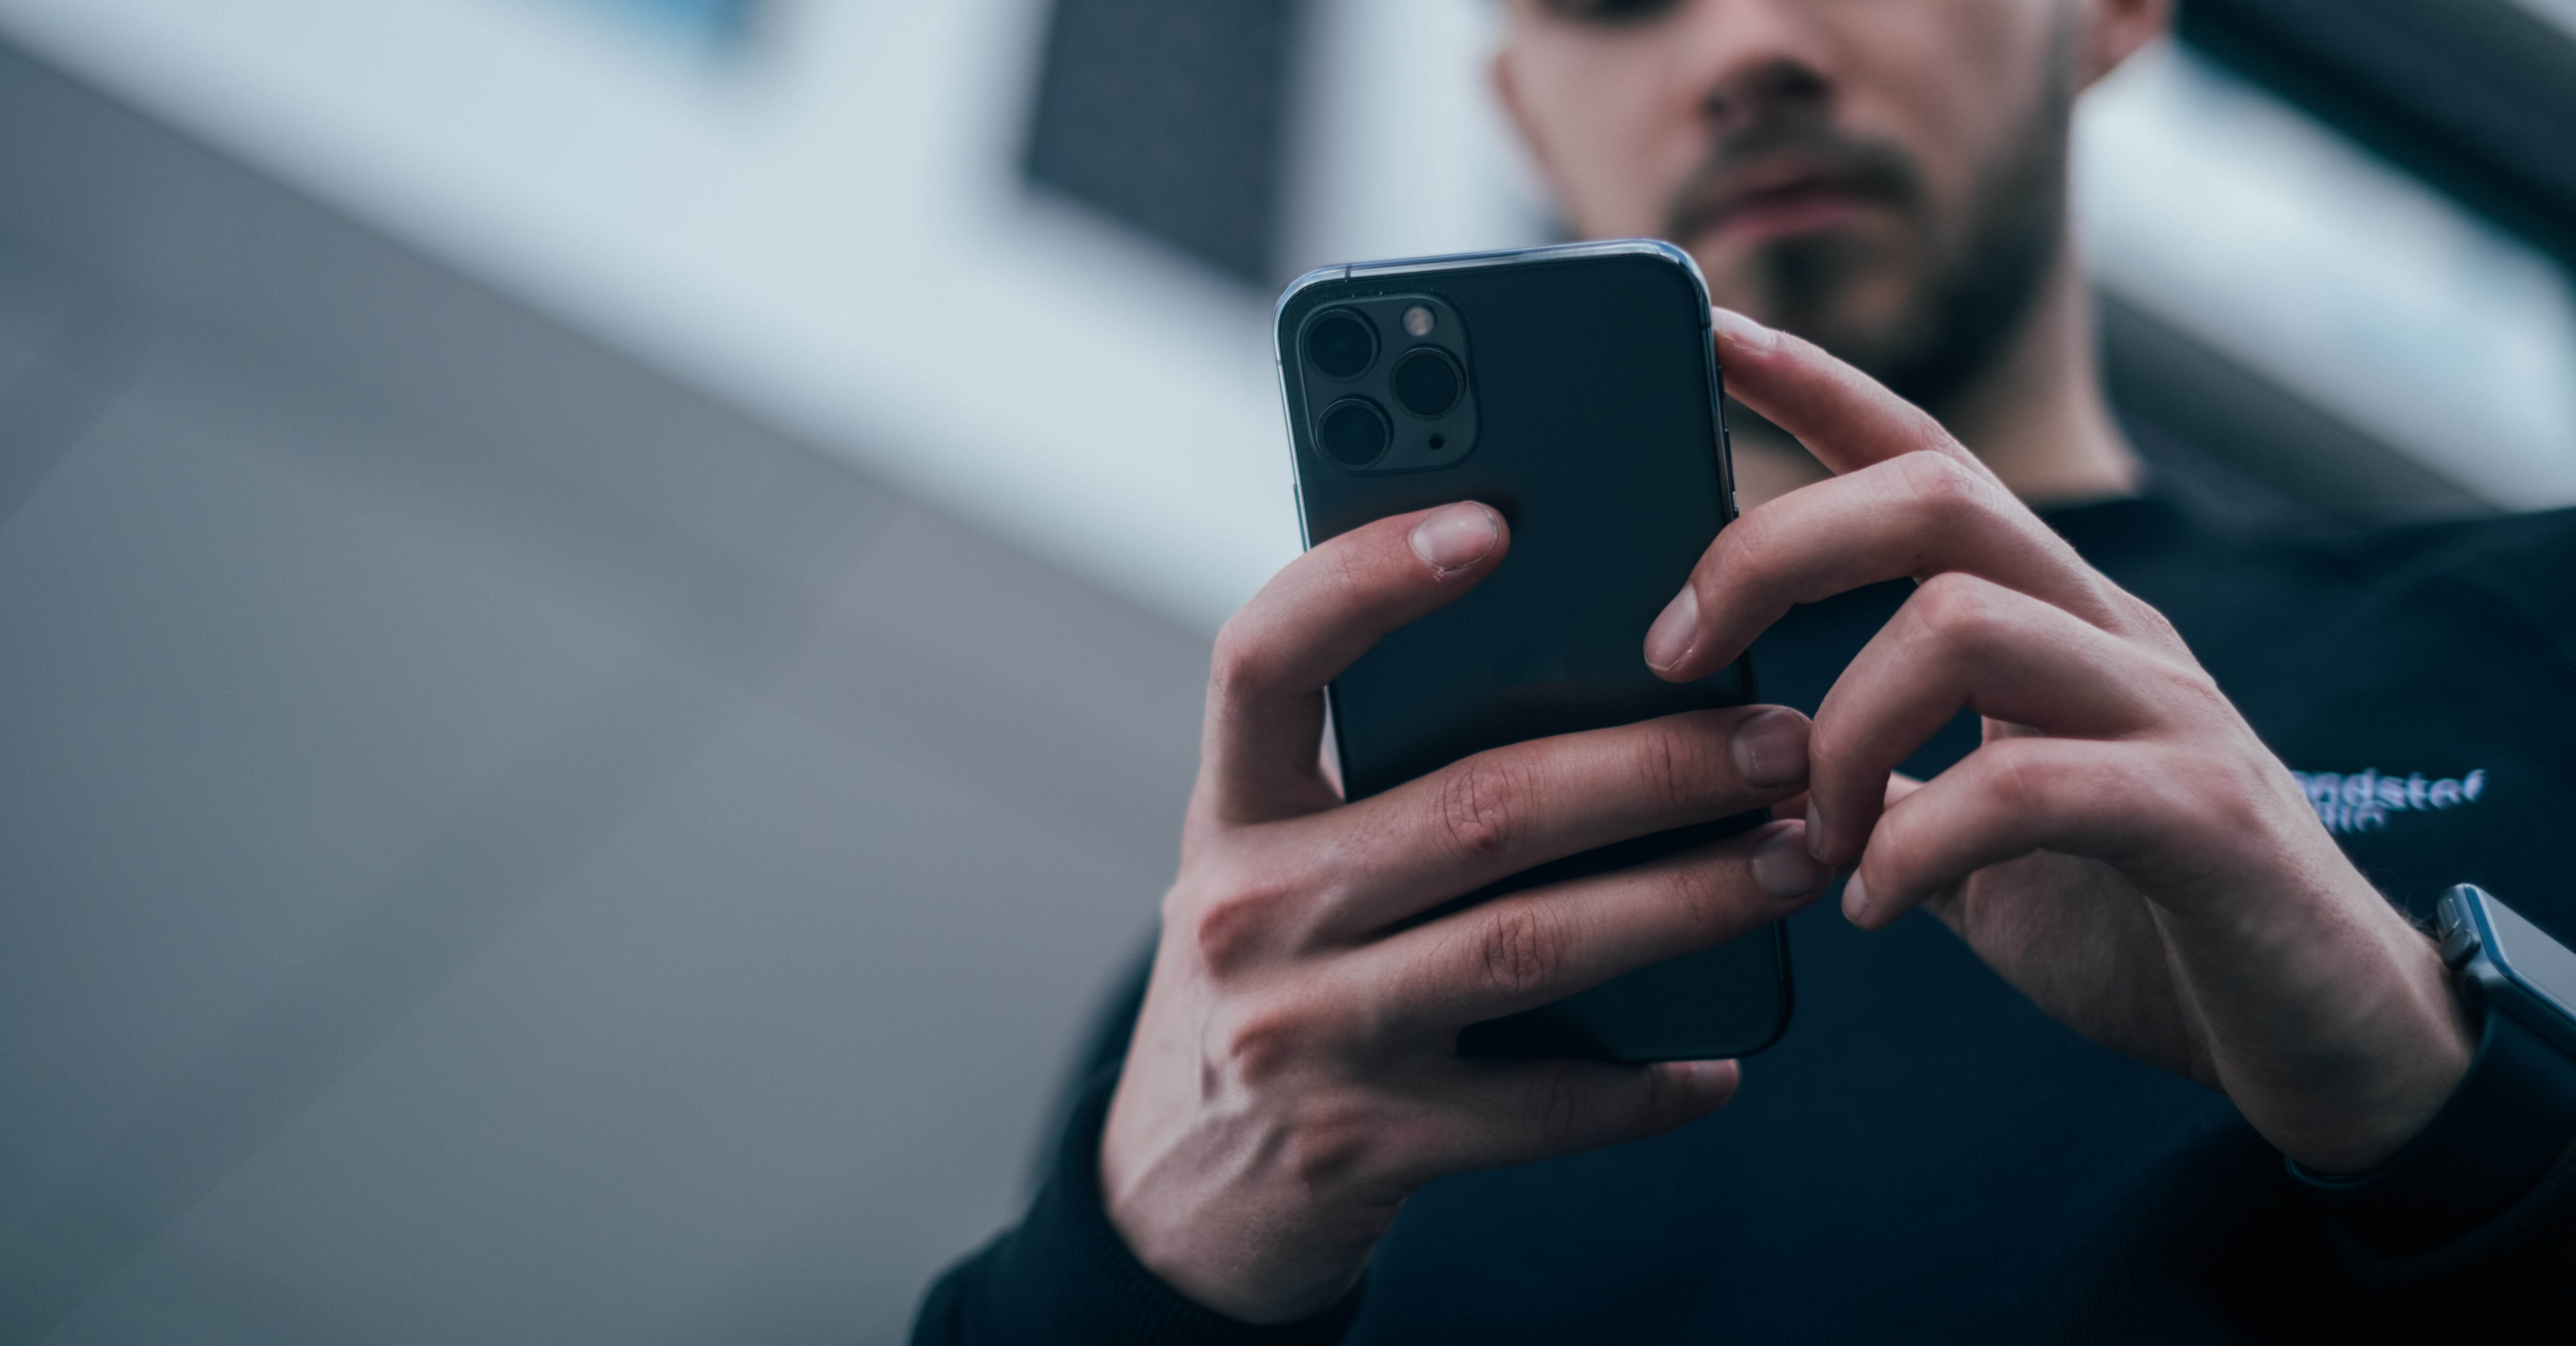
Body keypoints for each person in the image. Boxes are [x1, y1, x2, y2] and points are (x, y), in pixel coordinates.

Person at [916, 0, 2576, 1339]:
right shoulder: (1288, 962)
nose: (1742, 48)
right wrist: (1126, 1271)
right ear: (1523, 111)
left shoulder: (2537, 629)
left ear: (2116, 12)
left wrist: (2450, 1101)